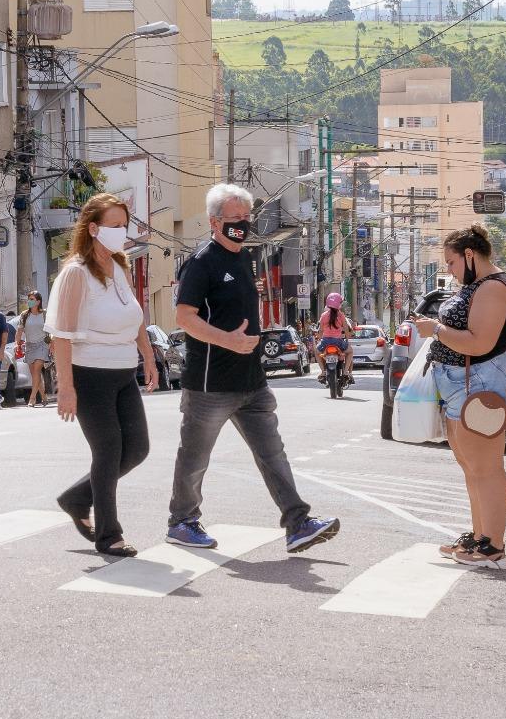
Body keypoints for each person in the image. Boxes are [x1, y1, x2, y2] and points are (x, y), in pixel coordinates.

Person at [167, 184, 340, 555]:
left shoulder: (245, 259)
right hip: (211, 384)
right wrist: (227, 340)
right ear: (215, 222)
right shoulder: (201, 263)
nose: (243, 225)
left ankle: (297, 522)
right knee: (195, 458)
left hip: (252, 381)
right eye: (235, 219)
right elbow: (184, 317)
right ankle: (181, 521)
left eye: (247, 218)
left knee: (272, 453)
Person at [412, 224, 506, 569]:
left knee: (486, 466)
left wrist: (434, 329)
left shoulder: (492, 288)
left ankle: (493, 547)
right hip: (460, 382)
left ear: (469, 255)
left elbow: (479, 342)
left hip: (479, 381)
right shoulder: (478, 285)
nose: (448, 270)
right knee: (471, 466)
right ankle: (480, 537)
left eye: (450, 262)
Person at [48, 194, 155, 557]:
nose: (121, 232)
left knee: (137, 448)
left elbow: (135, 318)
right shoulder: (76, 274)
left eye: (124, 225)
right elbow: (61, 336)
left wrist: (149, 357)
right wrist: (66, 388)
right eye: (113, 226)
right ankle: (109, 536)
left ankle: (77, 498)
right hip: (89, 374)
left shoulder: (121, 268)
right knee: (108, 450)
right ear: (93, 229)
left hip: (124, 373)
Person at [314, 292, 355, 384]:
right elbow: (346, 329)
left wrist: (319, 339)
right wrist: (348, 338)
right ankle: (345, 372)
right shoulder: (341, 315)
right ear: (339, 304)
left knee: (317, 352)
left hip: (325, 342)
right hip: (338, 342)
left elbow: (320, 331)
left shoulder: (323, 315)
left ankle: (323, 371)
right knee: (350, 351)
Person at [21, 290, 50, 408]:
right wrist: (18, 343)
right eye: (29, 299)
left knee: (37, 370)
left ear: (38, 302)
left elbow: (50, 330)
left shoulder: (45, 314)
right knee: (34, 374)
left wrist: (52, 344)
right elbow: (19, 330)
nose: (30, 301)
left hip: (42, 344)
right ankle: (43, 396)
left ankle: (32, 398)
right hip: (29, 345)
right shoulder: (24, 315)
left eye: (32, 299)